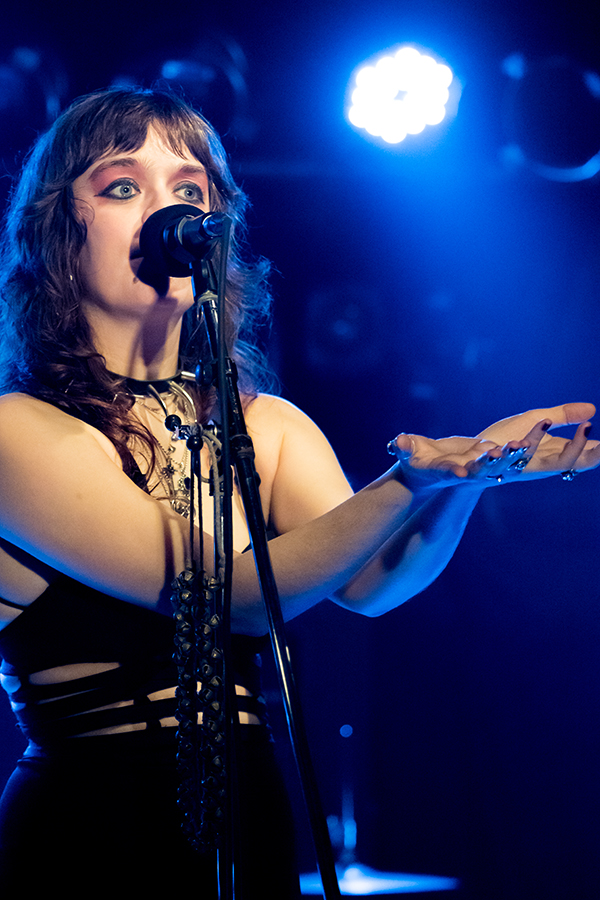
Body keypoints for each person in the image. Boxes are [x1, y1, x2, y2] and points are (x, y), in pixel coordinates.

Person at [0, 87, 598, 897]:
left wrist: (465, 479)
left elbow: (372, 582)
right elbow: (235, 599)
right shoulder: (19, 432)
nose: (168, 212)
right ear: (56, 233)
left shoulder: (267, 426)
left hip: (251, 809)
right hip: (94, 824)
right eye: (123, 187)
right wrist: (410, 481)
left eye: (189, 190)